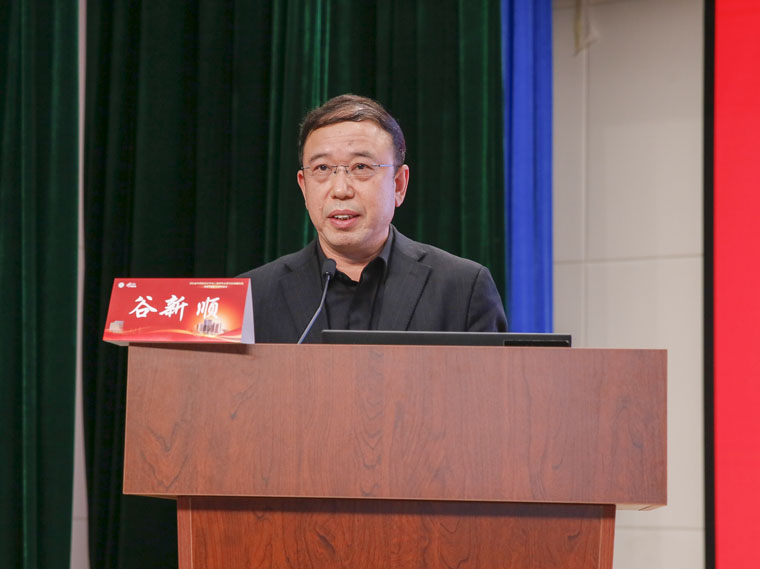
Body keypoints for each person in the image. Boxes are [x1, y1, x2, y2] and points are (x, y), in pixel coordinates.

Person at [239, 94, 507, 343]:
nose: (340, 190)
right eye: (322, 168)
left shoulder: (463, 289)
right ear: (304, 187)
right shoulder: (250, 296)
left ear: (399, 184)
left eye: (361, 167)